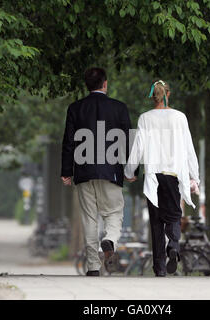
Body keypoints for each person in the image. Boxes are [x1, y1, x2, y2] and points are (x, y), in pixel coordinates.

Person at [61, 67, 136, 276]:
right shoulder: (119, 108)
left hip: (83, 172)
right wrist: (131, 169)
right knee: (114, 213)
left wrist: (67, 170)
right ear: (105, 84)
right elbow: (129, 141)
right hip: (110, 172)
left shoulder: (75, 108)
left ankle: (93, 267)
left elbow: (68, 141)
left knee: (89, 219)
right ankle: (110, 239)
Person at [124, 80, 200, 276]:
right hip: (174, 175)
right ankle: (173, 245)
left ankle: (160, 268)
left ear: (153, 96)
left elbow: (138, 148)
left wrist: (129, 171)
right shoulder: (180, 117)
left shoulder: (145, 118)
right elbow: (189, 148)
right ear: (169, 94)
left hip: (153, 176)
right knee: (174, 215)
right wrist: (195, 176)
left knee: (156, 221)